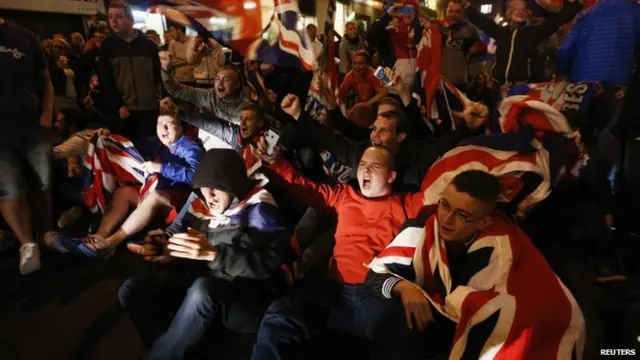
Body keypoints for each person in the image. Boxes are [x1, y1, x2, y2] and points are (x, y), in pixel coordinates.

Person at [366, 170, 585, 359]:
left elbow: (502, 308)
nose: (447, 219)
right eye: (445, 205)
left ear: (484, 222)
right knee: (398, 322)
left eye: (462, 215)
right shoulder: (422, 228)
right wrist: (404, 288)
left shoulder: (500, 247)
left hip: (470, 323)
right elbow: (374, 276)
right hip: (433, 316)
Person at [250, 140, 426, 360]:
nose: (366, 169)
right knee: (280, 314)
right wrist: (277, 163)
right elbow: (307, 189)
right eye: (362, 164)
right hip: (334, 290)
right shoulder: (344, 196)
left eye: (375, 166)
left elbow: (445, 193)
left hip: (376, 294)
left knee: (404, 336)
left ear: (391, 176)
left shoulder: (407, 204)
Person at [119, 149, 290, 360]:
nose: (209, 197)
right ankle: (170, 348)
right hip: (200, 283)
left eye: (216, 189)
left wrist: (215, 254)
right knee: (131, 290)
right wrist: (165, 250)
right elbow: (176, 235)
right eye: (203, 188)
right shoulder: (199, 202)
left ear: (232, 184)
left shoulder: (260, 209)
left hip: (247, 297)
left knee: (203, 288)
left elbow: (266, 264)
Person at [45, 99, 203, 258]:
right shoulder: (157, 142)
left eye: (169, 124)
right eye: (160, 124)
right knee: (123, 192)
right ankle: (97, 239)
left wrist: (161, 168)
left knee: (155, 195)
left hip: (177, 201)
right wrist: (106, 137)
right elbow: (126, 146)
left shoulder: (191, 147)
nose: (164, 129)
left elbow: (195, 177)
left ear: (181, 127)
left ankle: (110, 243)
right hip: (155, 191)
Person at [0, 16, 55, 274]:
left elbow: (46, 83)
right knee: (9, 188)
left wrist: (46, 116)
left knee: (43, 183)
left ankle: (46, 235)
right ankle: (27, 243)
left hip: (32, 126)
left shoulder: (23, 36)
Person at [462, 0, 583, 94]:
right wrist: (465, 5)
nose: (519, 12)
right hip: (497, 89)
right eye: (515, 9)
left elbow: (557, 21)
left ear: (527, 13)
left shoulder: (534, 33)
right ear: (509, 12)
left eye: (523, 9)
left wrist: (579, 3)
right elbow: (481, 21)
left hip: (521, 89)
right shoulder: (500, 32)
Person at [99, 0, 162, 139]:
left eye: (119, 17)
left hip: (149, 109)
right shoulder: (108, 47)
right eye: (110, 17)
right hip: (124, 112)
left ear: (131, 19)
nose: (113, 21)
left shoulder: (149, 45)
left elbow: (159, 76)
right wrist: (118, 105)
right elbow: (105, 80)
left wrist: (161, 99)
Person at [160, 52, 248, 149]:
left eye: (226, 80)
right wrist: (166, 70)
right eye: (218, 79)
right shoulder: (207, 96)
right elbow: (177, 90)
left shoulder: (248, 106)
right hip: (209, 148)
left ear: (237, 84)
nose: (220, 83)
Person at [437, 0, 482, 92]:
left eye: (457, 11)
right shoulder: (437, 27)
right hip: (439, 81)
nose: (453, 15)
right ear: (446, 11)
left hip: (461, 82)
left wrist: (477, 49)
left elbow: (477, 57)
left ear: (462, 12)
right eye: (451, 11)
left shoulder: (470, 29)